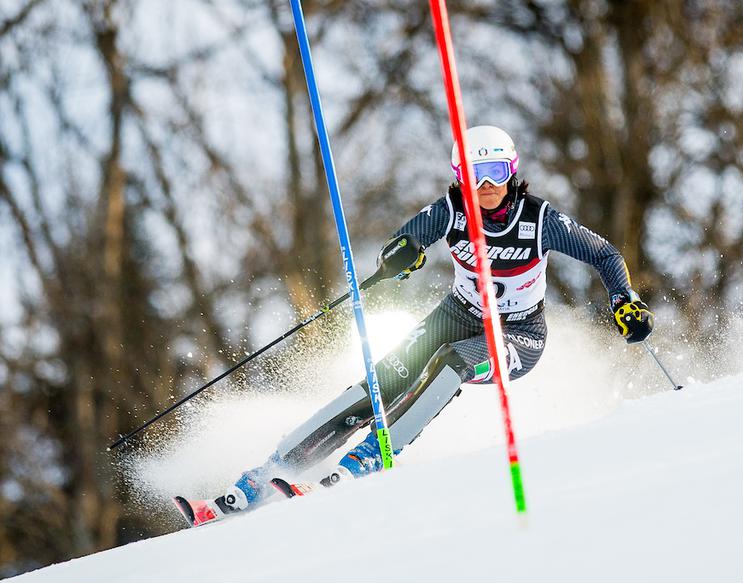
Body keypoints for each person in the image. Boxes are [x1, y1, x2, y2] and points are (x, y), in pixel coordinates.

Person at [216, 125, 653, 514]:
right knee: (382, 379)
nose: (486, 187)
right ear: (459, 178)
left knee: (451, 363)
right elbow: (407, 240)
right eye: (474, 177)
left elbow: (603, 253)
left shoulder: (539, 219)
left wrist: (623, 300)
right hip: (458, 315)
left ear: (512, 174)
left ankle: (370, 457)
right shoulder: (452, 209)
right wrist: (401, 255)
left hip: (518, 334)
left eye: (497, 174)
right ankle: (270, 470)